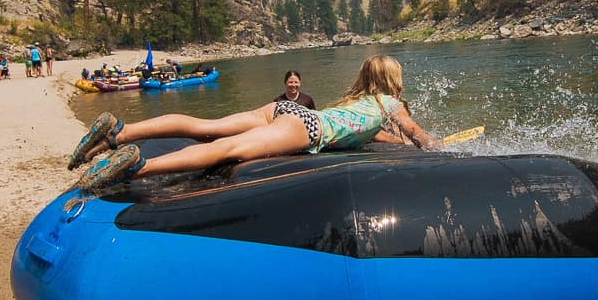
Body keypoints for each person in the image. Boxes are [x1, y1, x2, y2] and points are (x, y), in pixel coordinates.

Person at [68, 55, 441, 189]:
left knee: (204, 126)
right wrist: (445, 149)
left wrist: (398, 144)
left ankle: (123, 130)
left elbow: (372, 136)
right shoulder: (389, 103)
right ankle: (139, 167)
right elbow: (417, 135)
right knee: (224, 151)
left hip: (285, 113)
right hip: (306, 129)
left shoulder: (358, 102)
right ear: (392, 81)